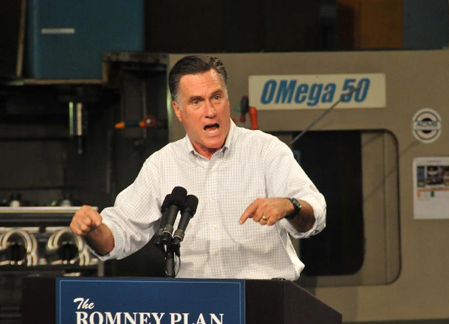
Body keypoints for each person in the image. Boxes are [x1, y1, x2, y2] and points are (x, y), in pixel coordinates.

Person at [70, 55, 326, 280]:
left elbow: (313, 217)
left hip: (263, 303)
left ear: (227, 99)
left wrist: (290, 205)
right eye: (196, 101)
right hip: (196, 314)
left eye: (216, 97)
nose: (210, 111)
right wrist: (94, 230)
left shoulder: (266, 150)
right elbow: (117, 237)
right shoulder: (163, 164)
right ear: (178, 111)